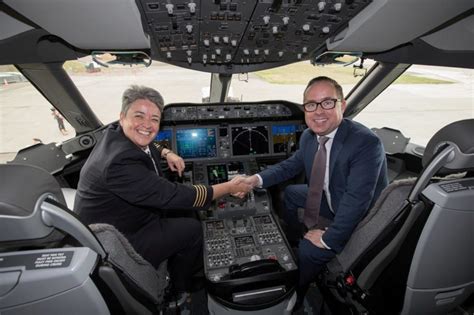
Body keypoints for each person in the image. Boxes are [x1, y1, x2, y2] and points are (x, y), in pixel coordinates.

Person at [74, 85, 252, 294]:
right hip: (121, 239)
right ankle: (179, 287)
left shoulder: (114, 134)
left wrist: (167, 152)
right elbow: (176, 195)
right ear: (122, 117)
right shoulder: (120, 163)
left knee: (188, 213)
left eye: (154, 120)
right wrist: (229, 187)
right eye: (139, 116)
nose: (147, 125)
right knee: (193, 230)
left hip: (118, 218)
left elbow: (148, 141)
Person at [236, 76, 388, 302]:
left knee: (310, 250)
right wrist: (254, 180)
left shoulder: (365, 143)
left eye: (327, 102)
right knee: (291, 193)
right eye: (311, 105)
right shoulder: (309, 136)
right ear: (305, 109)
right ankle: (293, 237)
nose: (318, 112)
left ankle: (295, 294)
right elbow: (290, 165)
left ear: (342, 105)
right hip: (332, 196)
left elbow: (357, 200)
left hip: (360, 218)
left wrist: (328, 238)